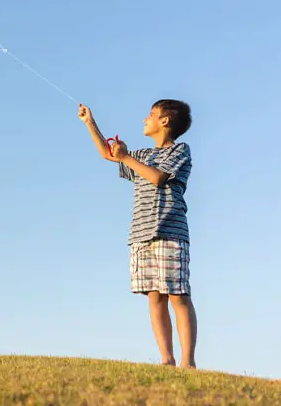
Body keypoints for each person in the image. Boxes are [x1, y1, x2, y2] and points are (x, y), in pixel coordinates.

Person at [78, 99, 198, 369]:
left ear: (165, 121)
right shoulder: (142, 155)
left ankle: (187, 362)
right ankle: (166, 359)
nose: (145, 119)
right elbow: (109, 155)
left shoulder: (180, 150)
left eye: (151, 114)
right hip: (141, 233)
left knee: (178, 295)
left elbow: (158, 178)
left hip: (170, 231)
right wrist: (90, 123)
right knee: (154, 295)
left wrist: (127, 157)